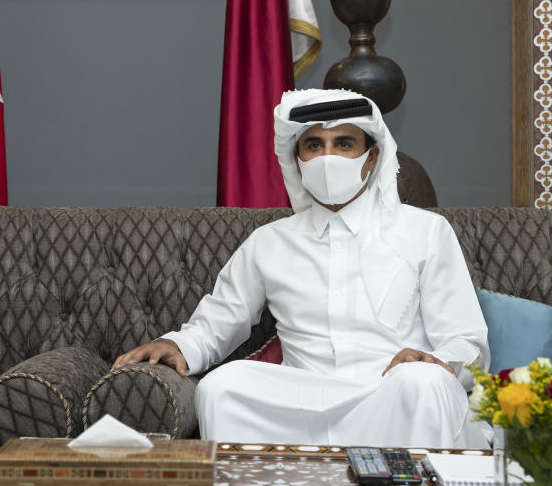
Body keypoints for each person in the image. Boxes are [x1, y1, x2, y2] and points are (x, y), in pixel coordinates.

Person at [113, 88, 490, 448]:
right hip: (303, 402)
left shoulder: (425, 231)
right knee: (221, 387)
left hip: (392, 395)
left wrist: (436, 361)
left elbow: (467, 341)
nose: (328, 157)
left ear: (371, 158)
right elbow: (216, 324)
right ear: (298, 160)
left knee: (423, 383)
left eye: (344, 144)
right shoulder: (269, 242)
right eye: (314, 145)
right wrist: (175, 343)